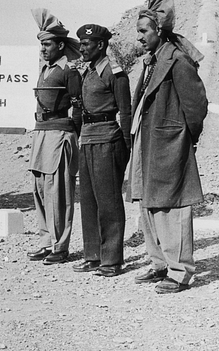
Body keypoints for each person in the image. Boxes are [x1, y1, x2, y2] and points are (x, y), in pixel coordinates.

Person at [129, 0, 207, 294]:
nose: (139, 37)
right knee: (148, 202)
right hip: (148, 140)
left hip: (169, 141)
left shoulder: (177, 59)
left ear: (159, 30)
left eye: (143, 31)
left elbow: (196, 105)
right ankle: (159, 263)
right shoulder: (153, 59)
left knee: (172, 206)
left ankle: (180, 271)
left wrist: (185, 139)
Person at [72, 24, 132, 277]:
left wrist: (128, 146)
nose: (82, 48)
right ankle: (93, 255)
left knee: (108, 202)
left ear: (100, 45)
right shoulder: (87, 71)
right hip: (88, 138)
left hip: (108, 139)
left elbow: (125, 111)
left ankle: (112, 260)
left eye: (86, 44)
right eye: (80, 44)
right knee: (88, 201)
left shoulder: (114, 72)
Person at [27, 9, 82, 265]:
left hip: (59, 134)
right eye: (41, 44)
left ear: (60, 44)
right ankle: (46, 241)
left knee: (57, 190)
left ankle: (60, 246)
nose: (43, 49)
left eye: (47, 44)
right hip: (41, 134)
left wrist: (72, 133)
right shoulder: (46, 69)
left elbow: (78, 104)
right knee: (39, 188)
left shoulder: (69, 70)